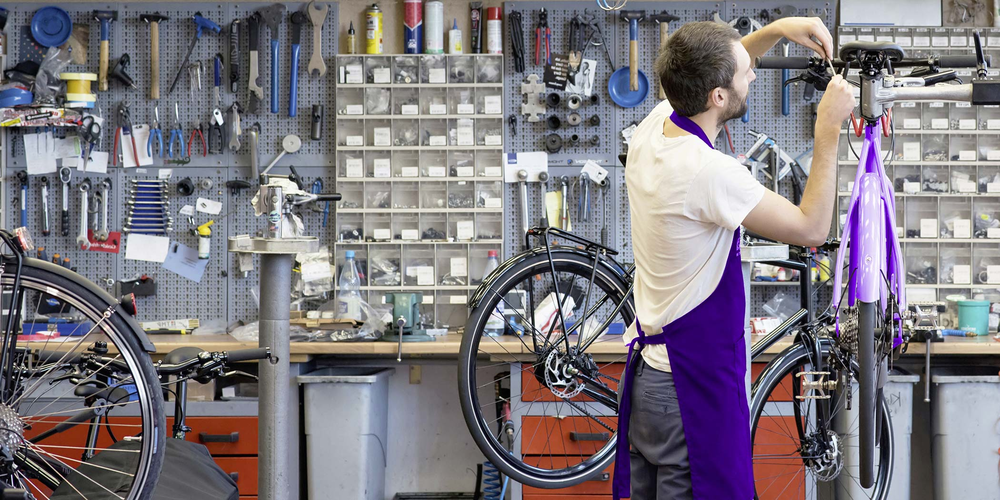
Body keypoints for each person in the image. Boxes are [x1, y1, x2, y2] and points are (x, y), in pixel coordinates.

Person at [612, 18, 857, 500]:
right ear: (717, 97)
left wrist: (783, 28)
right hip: (689, 390)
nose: (754, 75)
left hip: (648, 381)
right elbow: (811, 228)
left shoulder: (652, 130)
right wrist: (827, 128)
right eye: (747, 73)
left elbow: (718, 67)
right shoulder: (711, 173)